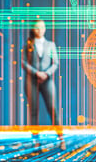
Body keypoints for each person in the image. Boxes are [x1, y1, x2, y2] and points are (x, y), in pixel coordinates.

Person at [22, 20, 65, 150]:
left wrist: (46, 73)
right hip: (31, 81)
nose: (40, 30)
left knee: (53, 109)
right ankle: (36, 141)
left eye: (42, 27)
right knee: (33, 111)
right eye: (37, 28)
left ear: (45, 29)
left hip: (48, 79)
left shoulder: (50, 45)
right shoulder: (28, 45)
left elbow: (55, 63)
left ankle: (61, 138)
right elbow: (24, 63)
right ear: (33, 29)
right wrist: (36, 73)